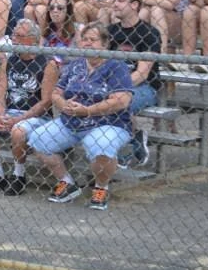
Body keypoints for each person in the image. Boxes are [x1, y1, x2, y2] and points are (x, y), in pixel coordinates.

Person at [28, 22, 134, 211]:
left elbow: (121, 101)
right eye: (84, 39)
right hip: (71, 121)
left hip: (108, 123)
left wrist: (87, 110)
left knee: (101, 146)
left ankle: (101, 188)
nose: (87, 43)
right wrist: (63, 104)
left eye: (92, 40)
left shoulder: (117, 66)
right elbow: (56, 93)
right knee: (37, 139)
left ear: (104, 44)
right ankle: (67, 183)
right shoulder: (75, 65)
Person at [0, 19, 58, 196]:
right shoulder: (9, 61)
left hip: (35, 115)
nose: (14, 40)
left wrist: (18, 119)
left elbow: (46, 102)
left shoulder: (47, 64)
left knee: (18, 131)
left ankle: (19, 175)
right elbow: (0, 94)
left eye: (19, 36)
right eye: (14, 35)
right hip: (9, 112)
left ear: (33, 40)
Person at [108, 0, 161, 167]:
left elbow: (142, 73)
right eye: (114, 0)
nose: (115, 4)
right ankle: (132, 138)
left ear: (134, 4)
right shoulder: (110, 32)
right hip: (114, 86)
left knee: (118, 102)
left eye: (120, 0)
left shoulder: (149, 33)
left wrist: (115, 89)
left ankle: (125, 148)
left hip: (144, 87)